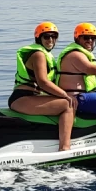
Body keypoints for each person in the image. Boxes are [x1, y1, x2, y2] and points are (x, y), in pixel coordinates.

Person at [9, 22, 77, 151]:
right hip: (22, 98)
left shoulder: (45, 55)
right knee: (68, 105)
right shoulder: (38, 55)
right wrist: (65, 95)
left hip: (31, 97)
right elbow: (43, 82)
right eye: (46, 37)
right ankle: (65, 148)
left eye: (54, 37)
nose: (50, 40)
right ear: (39, 38)